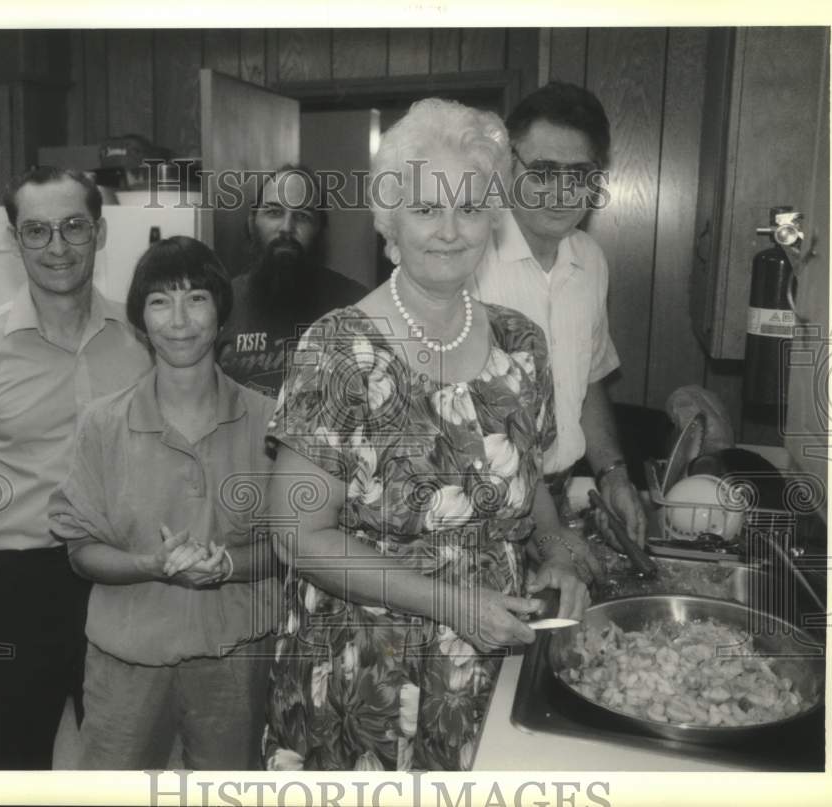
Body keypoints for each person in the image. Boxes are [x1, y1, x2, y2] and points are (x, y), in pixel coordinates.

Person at [261, 99, 603, 772]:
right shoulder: (340, 348)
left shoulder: (520, 345)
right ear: (389, 221)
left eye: (471, 208)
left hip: (492, 662)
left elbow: (531, 495)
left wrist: (560, 551)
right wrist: (455, 603)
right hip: (367, 679)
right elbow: (297, 535)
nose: (450, 231)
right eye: (425, 210)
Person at [0, 166, 151, 769]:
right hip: (19, 583)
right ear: (14, 240)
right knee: (15, 759)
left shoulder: (141, 339)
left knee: (122, 757)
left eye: (72, 227)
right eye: (36, 231)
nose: (56, 247)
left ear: (100, 233)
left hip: (119, 577)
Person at [48, 236, 280, 769]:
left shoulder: (270, 422)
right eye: (159, 301)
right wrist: (150, 565)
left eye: (196, 298)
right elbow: (80, 548)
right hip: (127, 662)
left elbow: (291, 545)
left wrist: (226, 565)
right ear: (140, 321)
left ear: (221, 313)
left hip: (235, 659)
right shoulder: (103, 423)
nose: (179, 319)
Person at [471, 81, 648, 545]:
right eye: (544, 170)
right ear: (508, 164)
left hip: (560, 497)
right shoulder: (466, 257)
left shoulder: (590, 260)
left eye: (580, 173)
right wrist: (543, 534)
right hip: (478, 511)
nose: (562, 191)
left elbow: (588, 380)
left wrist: (613, 475)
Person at [216, 165, 369, 396]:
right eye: (274, 212)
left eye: (302, 216)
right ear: (251, 221)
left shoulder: (357, 305)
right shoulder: (222, 302)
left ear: (320, 228)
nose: (287, 228)